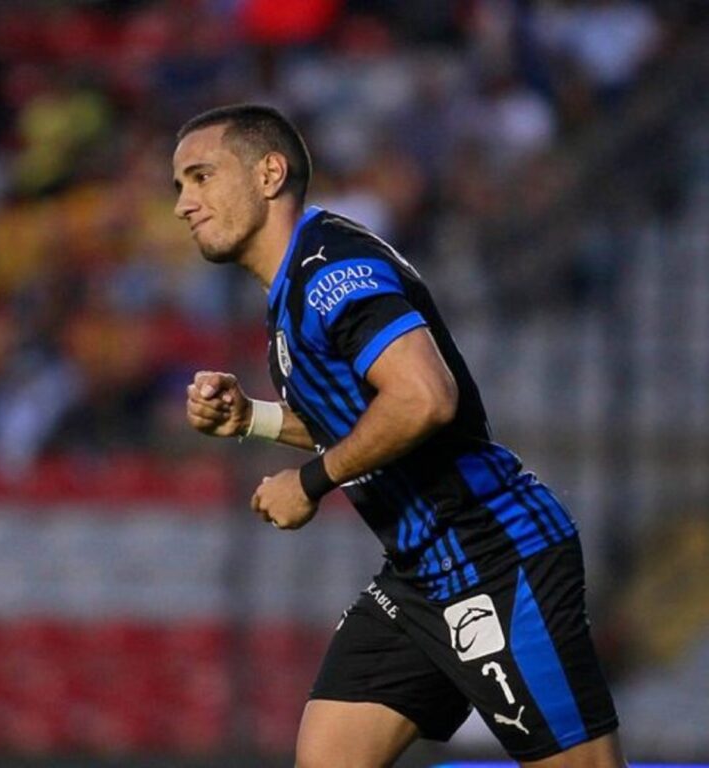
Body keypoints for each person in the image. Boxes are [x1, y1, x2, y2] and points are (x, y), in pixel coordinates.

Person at [174, 104, 626, 768]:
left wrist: (310, 484)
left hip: (494, 552)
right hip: (420, 573)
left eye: (201, 176)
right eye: (179, 185)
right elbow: (367, 421)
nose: (183, 203)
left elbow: (424, 399)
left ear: (269, 173)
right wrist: (254, 419)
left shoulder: (331, 272)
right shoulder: (296, 284)